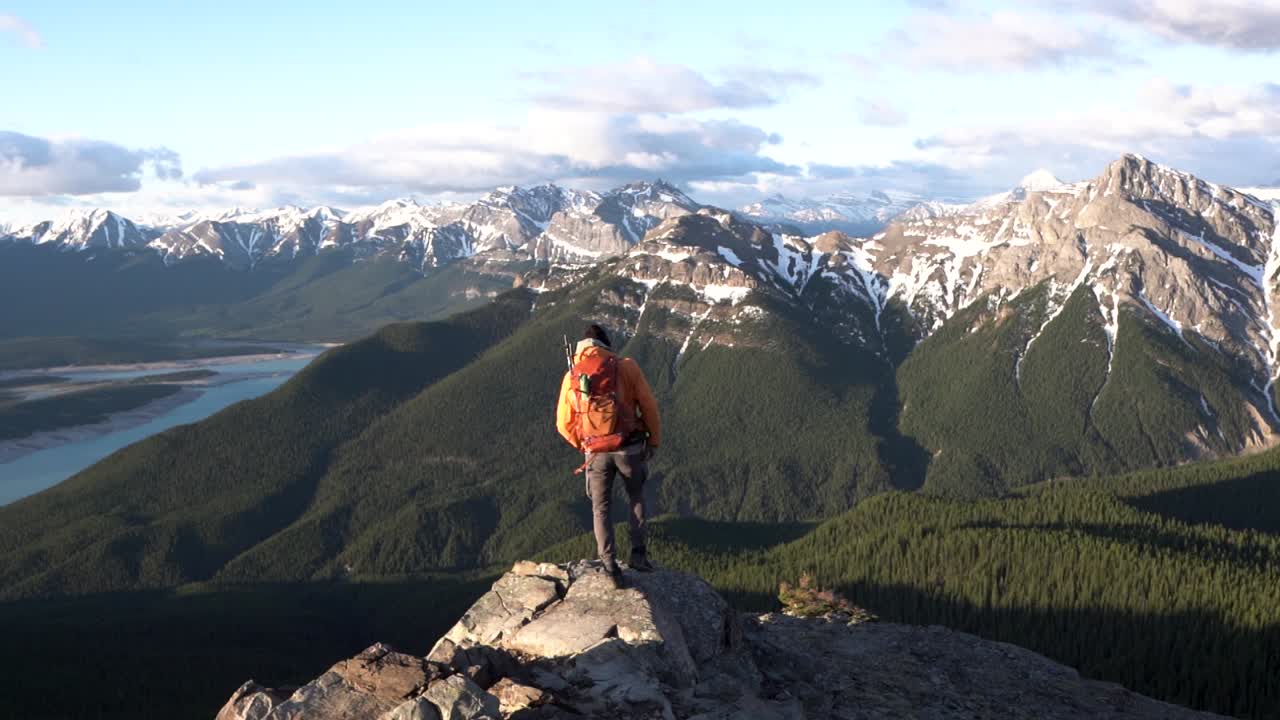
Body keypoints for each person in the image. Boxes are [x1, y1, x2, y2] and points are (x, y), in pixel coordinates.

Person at [556, 323, 662, 587]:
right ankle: (638, 556)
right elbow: (649, 406)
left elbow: (563, 424)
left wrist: (585, 446)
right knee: (636, 498)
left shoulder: (572, 376)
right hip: (629, 447)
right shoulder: (626, 366)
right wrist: (653, 440)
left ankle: (609, 566)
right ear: (606, 345)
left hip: (595, 453)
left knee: (600, 507)